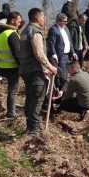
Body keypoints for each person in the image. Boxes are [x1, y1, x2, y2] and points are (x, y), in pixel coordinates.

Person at [18, 8, 57, 136]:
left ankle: (30, 127)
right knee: (36, 100)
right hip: (35, 71)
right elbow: (39, 54)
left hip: (26, 70)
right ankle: (33, 131)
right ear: (37, 18)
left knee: (30, 98)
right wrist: (51, 68)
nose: (44, 19)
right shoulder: (35, 32)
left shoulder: (24, 31)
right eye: (43, 17)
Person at [0, 11, 23, 119]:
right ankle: (11, 113)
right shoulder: (11, 34)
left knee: (10, 90)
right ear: (13, 20)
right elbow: (18, 53)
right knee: (13, 91)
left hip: (1, 66)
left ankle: (10, 111)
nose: (20, 23)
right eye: (19, 21)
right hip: (12, 67)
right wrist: (23, 66)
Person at [46, 13, 76, 92]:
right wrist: (53, 54)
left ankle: (62, 91)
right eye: (64, 21)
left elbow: (69, 42)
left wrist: (73, 52)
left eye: (66, 21)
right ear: (59, 21)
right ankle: (59, 92)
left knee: (66, 74)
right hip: (60, 56)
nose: (66, 23)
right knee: (62, 75)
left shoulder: (66, 28)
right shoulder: (53, 29)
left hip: (67, 56)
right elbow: (51, 43)